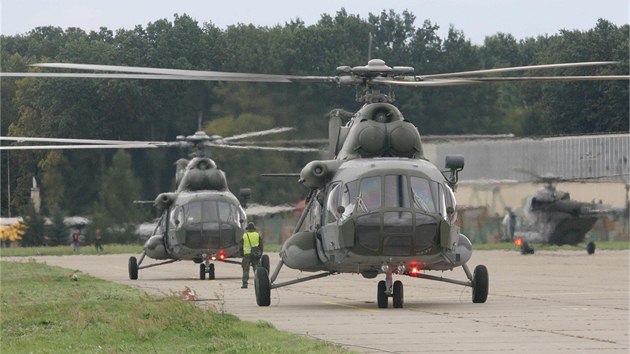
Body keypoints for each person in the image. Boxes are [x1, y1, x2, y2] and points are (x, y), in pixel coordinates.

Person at [241, 222, 262, 289]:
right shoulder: (257, 235)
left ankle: (245, 284)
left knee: (246, 270)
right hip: (255, 254)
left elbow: (240, 246)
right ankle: (259, 283)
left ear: (248, 229)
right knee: (257, 269)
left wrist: (242, 254)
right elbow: (261, 246)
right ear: (253, 229)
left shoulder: (244, 236)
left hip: (247, 254)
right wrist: (260, 254)